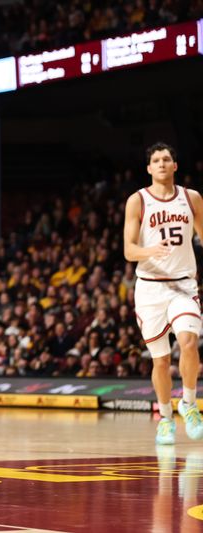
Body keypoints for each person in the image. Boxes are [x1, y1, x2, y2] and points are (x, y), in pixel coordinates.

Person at [123, 141, 203, 445]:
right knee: (160, 360)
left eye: (166, 159)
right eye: (155, 160)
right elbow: (129, 250)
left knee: (189, 342)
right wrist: (149, 250)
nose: (161, 163)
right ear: (148, 168)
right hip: (150, 289)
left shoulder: (191, 198)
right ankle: (167, 418)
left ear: (174, 166)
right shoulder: (138, 200)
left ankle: (190, 403)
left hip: (183, 284)